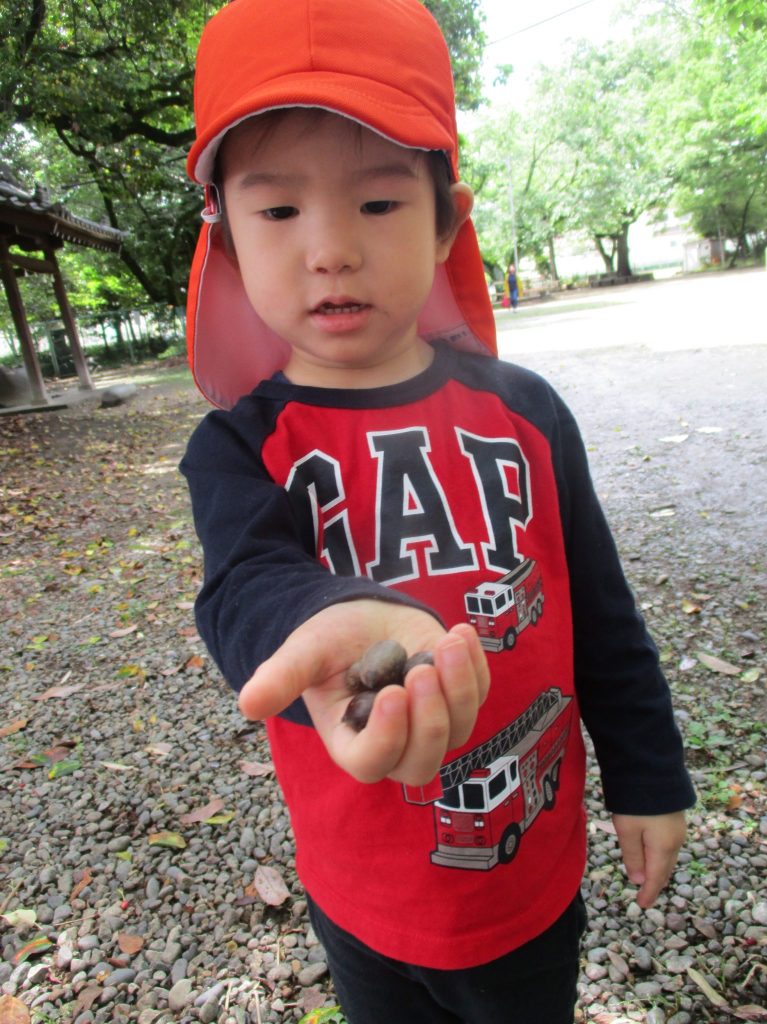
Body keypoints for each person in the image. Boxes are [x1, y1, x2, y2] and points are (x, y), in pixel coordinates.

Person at [179, 1, 695, 1021]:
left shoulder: (527, 414)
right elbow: (242, 590)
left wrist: (649, 776)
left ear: (447, 220)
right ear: (226, 239)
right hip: (358, 888)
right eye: (278, 212)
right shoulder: (240, 446)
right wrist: (324, 619)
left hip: (525, 881)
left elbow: (601, 613)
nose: (332, 248)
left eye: (377, 202)